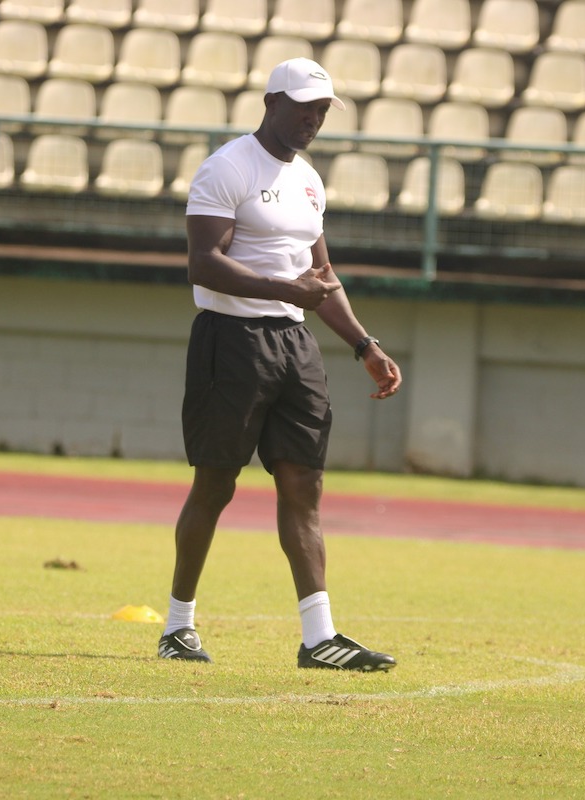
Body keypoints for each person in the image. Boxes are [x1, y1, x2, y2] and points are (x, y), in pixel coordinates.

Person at [157, 58, 403, 671]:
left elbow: (322, 278)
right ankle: (177, 625)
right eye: (303, 107)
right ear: (270, 101)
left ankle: (319, 637)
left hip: (295, 346)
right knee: (215, 483)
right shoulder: (227, 167)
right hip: (230, 341)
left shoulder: (310, 180)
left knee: (304, 484)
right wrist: (286, 290)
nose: (313, 120)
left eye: (322, 111)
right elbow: (203, 263)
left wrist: (363, 345)